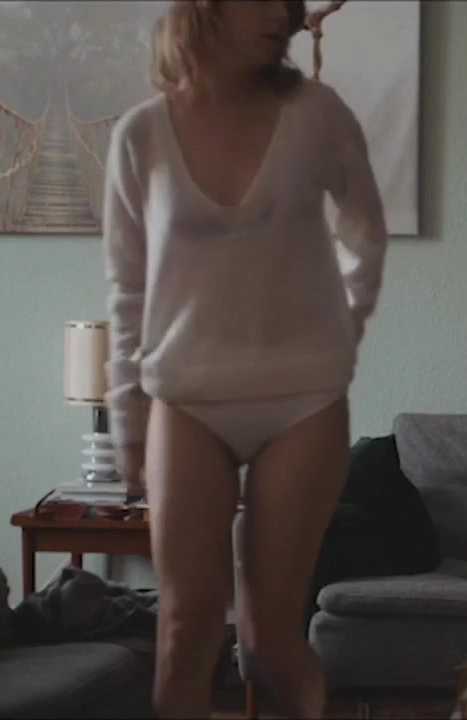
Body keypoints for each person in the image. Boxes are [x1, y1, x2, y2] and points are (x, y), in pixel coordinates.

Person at [101, 1, 386, 717]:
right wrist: (127, 417)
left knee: (269, 641)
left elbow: (364, 232)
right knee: (184, 632)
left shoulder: (317, 115)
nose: (277, 15)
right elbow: (127, 288)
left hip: (303, 400)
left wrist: (345, 327)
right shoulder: (141, 134)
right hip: (186, 398)